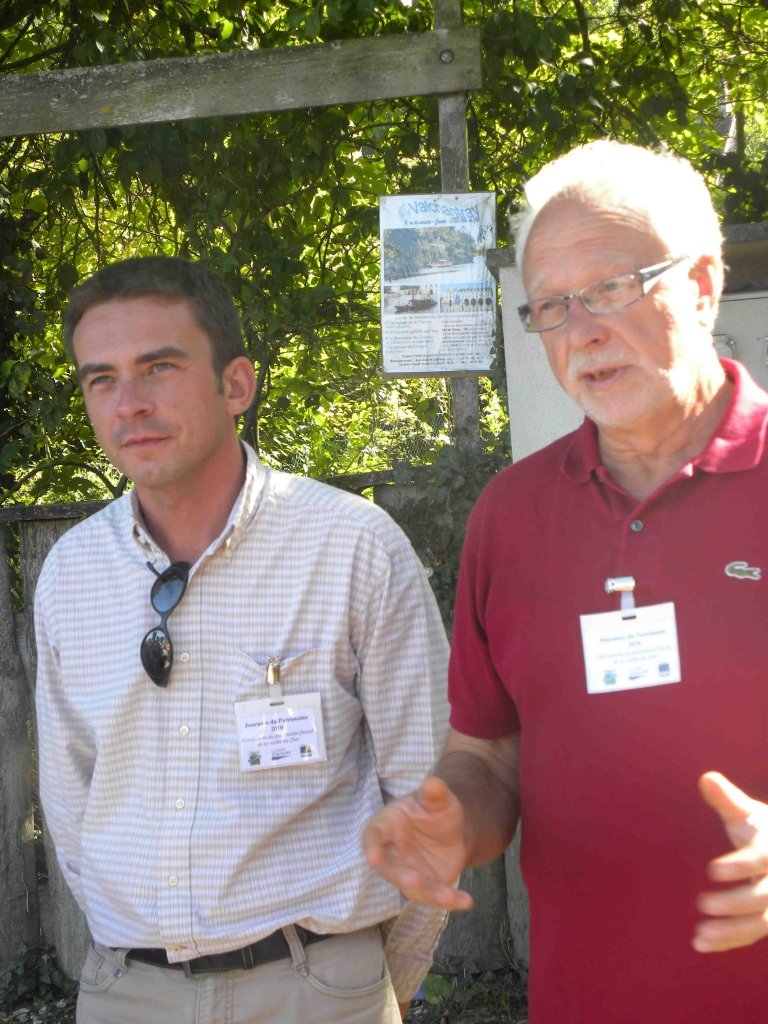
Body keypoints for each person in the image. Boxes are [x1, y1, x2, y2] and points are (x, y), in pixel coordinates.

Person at [363, 139, 768, 1023]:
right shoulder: (510, 518)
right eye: (549, 305)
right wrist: (452, 818)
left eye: (611, 288)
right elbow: (488, 754)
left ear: (703, 285)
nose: (580, 330)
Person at [34, 255, 449, 1024]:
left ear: (236, 384)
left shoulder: (352, 548)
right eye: (102, 379)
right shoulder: (70, 573)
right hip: (129, 993)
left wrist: (365, 983)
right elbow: (70, 801)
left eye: (159, 367)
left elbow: (426, 794)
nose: (130, 404)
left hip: (316, 989)